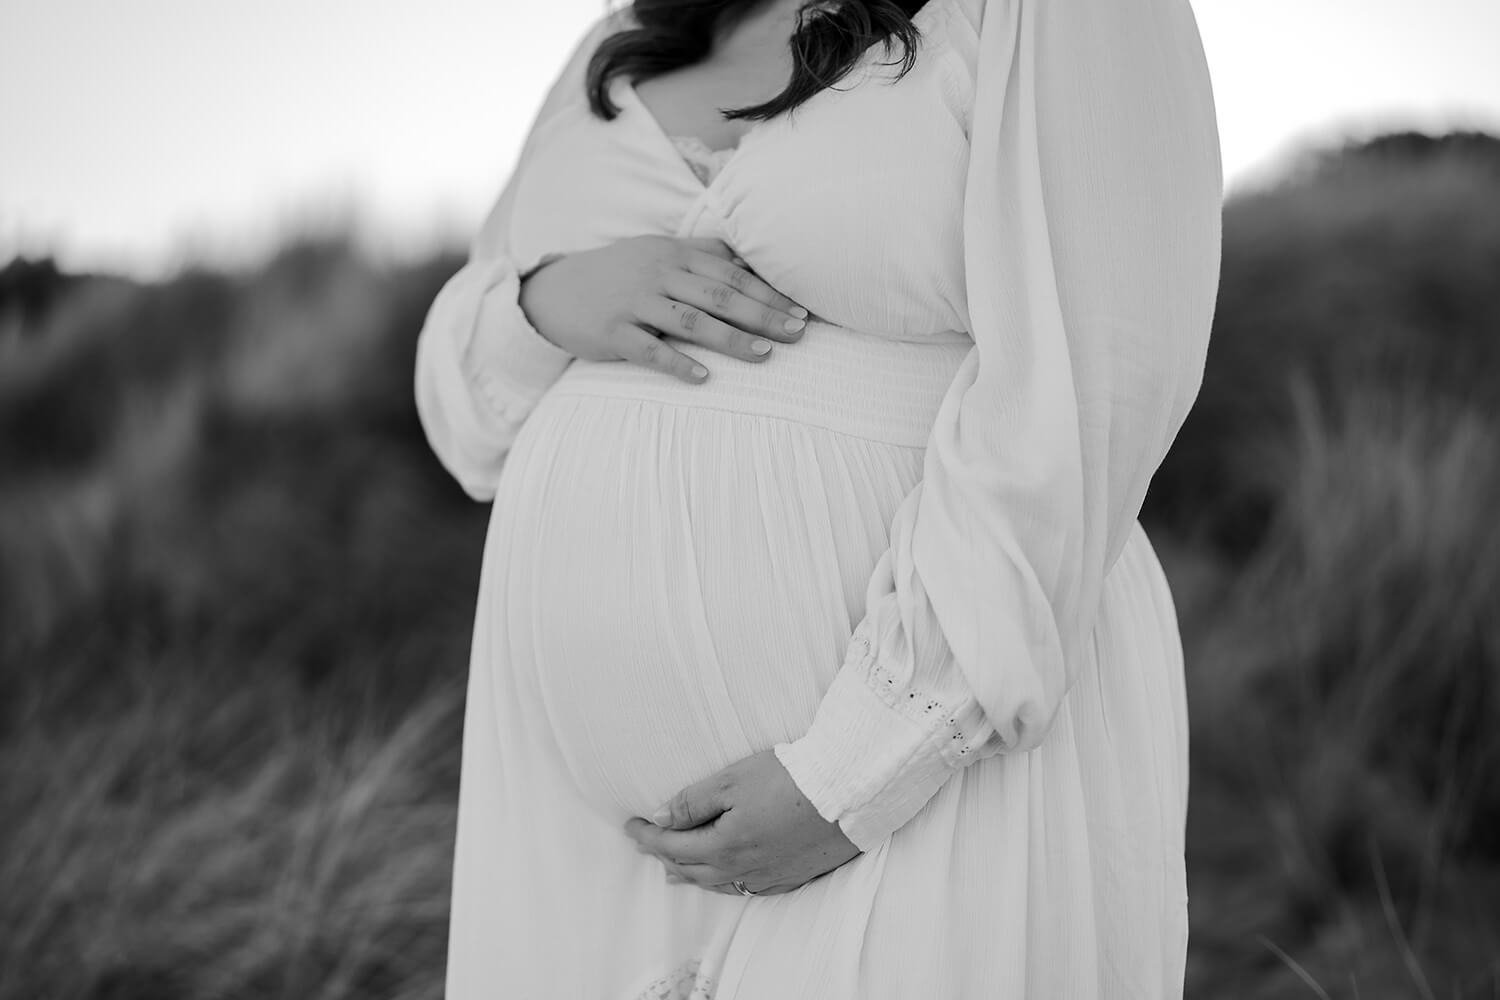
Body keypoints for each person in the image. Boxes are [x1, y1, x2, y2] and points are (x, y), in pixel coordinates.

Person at [413, 0, 1223, 995]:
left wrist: (856, 772)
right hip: (589, 846)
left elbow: (1091, 385)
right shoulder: (621, 38)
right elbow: (466, 420)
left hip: (922, 778)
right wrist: (544, 303)